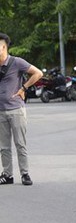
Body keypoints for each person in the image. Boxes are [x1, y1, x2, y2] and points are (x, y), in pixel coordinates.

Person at [0, 33, 43, 186]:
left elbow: (38, 73)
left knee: (20, 143)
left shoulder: (16, 62)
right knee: (4, 146)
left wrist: (24, 87)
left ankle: (25, 173)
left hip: (16, 109)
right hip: (0, 111)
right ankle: (7, 174)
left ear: (3, 47)